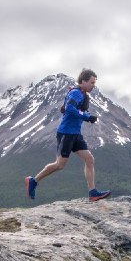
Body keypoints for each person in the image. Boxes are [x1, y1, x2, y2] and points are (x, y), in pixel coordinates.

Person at [25, 69, 111, 202]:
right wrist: (87, 117)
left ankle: (92, 192)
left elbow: (71, 109)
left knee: (89, 159)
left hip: (75, 134)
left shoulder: (82, 94)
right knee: (59, 165)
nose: (93, 85)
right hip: (66, 133)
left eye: (94, 83)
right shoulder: (76, 93)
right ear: (83, 81)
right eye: (92, 83)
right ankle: (33, 181)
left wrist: (86, 116)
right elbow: (70, 109)